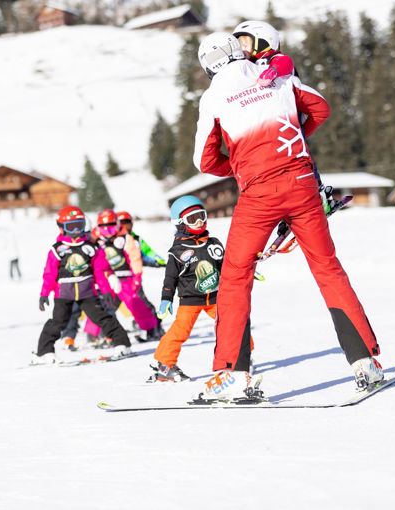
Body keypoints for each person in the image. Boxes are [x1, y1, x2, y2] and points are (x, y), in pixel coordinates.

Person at [192, 33, 382, 401]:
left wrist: (244, 164)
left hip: (259, 195)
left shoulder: (213, 96)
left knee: (234, 276)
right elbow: (321, 108)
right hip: (302, 184)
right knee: (328, 269)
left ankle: (232, 374)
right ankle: (366, 362)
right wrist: (292, 140)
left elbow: (203, 159)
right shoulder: (274, 74)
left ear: (207, 67)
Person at [232, 20, 339, 216]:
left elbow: (284, 62)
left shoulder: (273, 59)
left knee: (303, 162)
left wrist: (272, 72)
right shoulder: (245, 67)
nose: (242, 49)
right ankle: (287, 211)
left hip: (289, 119)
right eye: (238, 45)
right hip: (269, 126)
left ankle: (320, 197)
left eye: (245, 43)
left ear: (264, 42)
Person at [31, 206, 132, 364]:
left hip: (87, 293)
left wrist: (105, 290)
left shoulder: (90, 248)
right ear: (61, 227)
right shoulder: (58, 250)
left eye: (80, 224)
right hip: (64, 293)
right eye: (71, 226)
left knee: (103, 318)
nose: (76, 230)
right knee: (58, 322)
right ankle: (43, 353)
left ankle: (123, 344)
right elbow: (49, 274)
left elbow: (100, 271)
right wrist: (44, 294)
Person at [149, 196, 222, 382]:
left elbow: (227, 265)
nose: (199, 222)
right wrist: (166, 297)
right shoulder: (178, 251)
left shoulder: (213, 243)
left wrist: (245, 272)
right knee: (180, 332)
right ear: (180, 223)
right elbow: (170, 277)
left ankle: (241, 356)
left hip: (215, 298)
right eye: (192, 218)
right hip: (191, 300)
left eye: (201, 216)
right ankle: (165, 366)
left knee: (234, 323)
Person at [89, 209, 162, 342]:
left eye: (111, 227)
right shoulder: (94, 241)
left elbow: (135, 258)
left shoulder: (126, 238)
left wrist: (137, 277)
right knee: (103, 306)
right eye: (104, 228)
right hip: (106, 280)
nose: (108, 232)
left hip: (126, 277)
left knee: (138, 305)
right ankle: (100, 336)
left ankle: (152, 330)